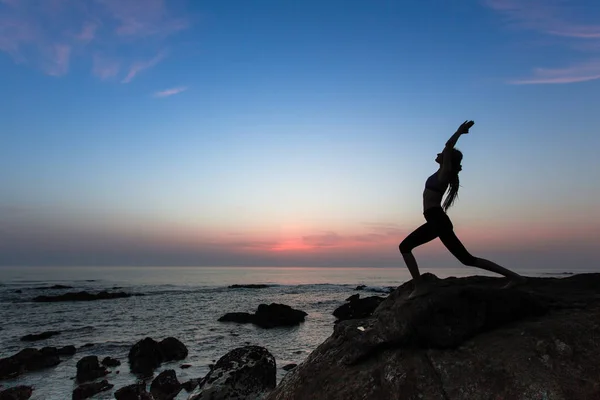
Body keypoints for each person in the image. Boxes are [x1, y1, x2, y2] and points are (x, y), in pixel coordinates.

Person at [399, 120, 526, 298]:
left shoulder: (444, 174)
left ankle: (419, 286)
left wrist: (459, 131)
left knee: (404, 246)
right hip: (438, 220)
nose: (438, 154)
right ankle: (515, 277)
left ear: (447, 160)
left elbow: (448, 146)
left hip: (437, 220)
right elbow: (447, 149)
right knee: (467, 259)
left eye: (442, 154)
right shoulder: (441, 174)